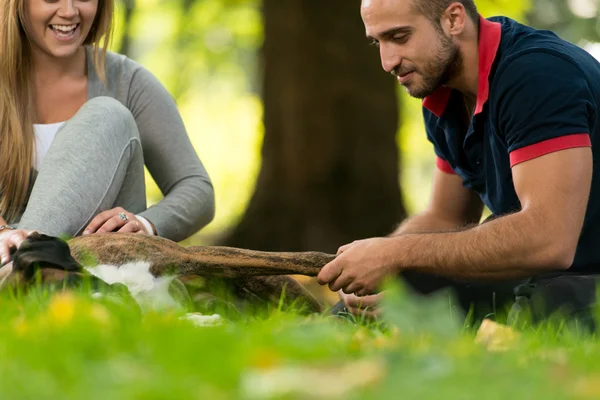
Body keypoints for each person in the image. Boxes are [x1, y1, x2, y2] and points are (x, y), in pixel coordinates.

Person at [318, 0, 600, 322]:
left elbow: (549, 240)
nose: (387, 62)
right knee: (372, 305)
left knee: (542, 306)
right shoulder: (442, 90)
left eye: (399, 37)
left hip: (574, 275)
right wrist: (379, 264)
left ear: (453, 19)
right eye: (378, 41)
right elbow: (445, 217)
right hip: (550, 274)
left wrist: (394, 253)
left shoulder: (537, 75)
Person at [0, 0, 215, 266]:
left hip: (100, 268)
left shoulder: (128, 82)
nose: (69, 11)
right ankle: (23, 269)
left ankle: (22, 271)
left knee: (107, 115)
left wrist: (146, 224)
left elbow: (197, 189)